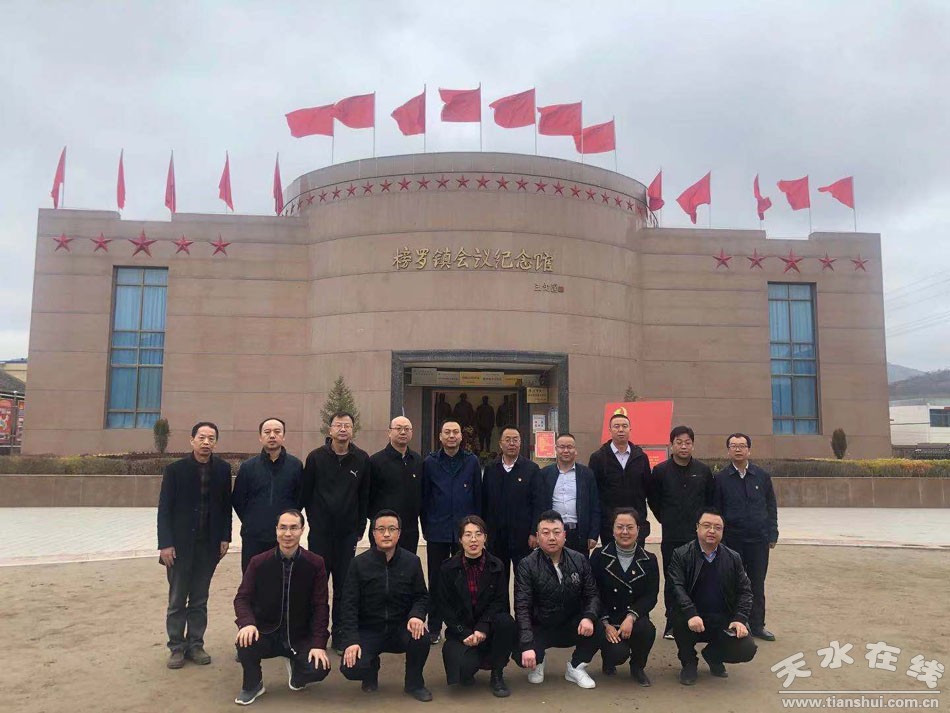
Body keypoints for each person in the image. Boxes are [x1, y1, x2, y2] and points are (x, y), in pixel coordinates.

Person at [232, 509, 330, 705]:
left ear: (302, 530)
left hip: (298, 636)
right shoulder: (258, 562)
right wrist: (247, 623)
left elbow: (320, 606)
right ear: (276, 530)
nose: (288, 533)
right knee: (245, 641)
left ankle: (297, 670)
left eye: (293, 528)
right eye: (283, 528)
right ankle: (253, 684)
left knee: (319, 668)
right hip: (266, 632)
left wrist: (318, 644)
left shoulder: (315, 563)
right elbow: (242, 598)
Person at [157, 421, 232, 669]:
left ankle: (196, 644)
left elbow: (225, 507)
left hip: (208, 546)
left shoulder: (222, 470)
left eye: (211, 438)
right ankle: (176, 647)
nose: (206, 442)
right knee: (177, 599)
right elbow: (164, 509)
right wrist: (165, 544)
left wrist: (225, 537)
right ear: (192, 440)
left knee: (199, 599)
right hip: (179, 547)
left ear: (216, 442)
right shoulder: (175, 470)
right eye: (201, 437)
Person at [339, 510, 432, 702]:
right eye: (381, 529)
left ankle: (414, 683)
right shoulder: (358, 564)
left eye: (392, 529)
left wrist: (416, 615)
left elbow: (421, 596)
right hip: (369, 630)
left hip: (400, 628)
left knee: (421, 637)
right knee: (351, 667)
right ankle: (370, 670)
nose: (386, 534)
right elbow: (349, 605)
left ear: (399, 533)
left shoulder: (412, 561)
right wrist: (351, 640)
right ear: (373, 534)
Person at [301, 411, 371, 652]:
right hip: (320, 534)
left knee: (344, 587)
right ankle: (317, 634)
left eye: (347, 425)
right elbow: (306, 494)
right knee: (318, 585)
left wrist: (360, 528)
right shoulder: (315, 458)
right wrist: (314, 520)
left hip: (347, 535)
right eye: (338, 425)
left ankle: (341, 634)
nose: (343, 429)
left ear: (353, 430)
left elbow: (364, 496)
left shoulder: (361, 459)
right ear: (330, 429)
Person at [513, 510, 604, 689]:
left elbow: (592, 594)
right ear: (537, 536)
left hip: (571, 624)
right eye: (546, 533)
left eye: (556, 532)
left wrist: (588, 617)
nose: (552, 538)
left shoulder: (579, 559)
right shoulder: (526, 565)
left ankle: (576, 667)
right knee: (519, 650)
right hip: (541, 625)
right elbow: (522, 606)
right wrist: (527, 644)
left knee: (597, 625)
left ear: (564, 535)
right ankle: (538, 662)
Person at [667, 507, 757, 685]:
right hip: (691, 617)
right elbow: (676, 587)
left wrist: (740, 618)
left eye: (717, 527)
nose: (712, 531)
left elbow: (745, 591)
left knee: (747, 647)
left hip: (722, 617)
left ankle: (713, 656)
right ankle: (689, 663)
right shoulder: (681, 554)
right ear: (697, 528)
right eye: (707, 525)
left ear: (723, 531)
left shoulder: (733, 558)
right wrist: (691, 613)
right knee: (678, 618)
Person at [437, 515, 516, 697]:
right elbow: (444, 606)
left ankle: (497, 674)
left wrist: (483, 627)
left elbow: (499, 601)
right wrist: (464, 632)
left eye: (478, 534)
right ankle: (471, 663)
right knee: (462, 674)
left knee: (506, 622)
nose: (473, 540)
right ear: (460, 539)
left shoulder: (496, 565)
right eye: (468, 535)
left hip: (488, 629)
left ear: (485, 538)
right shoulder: (448, 568)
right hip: (462, 632)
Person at [647, 425, 714, 639]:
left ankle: (697, 620)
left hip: (698, 537)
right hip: (672, 536)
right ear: (671, 445)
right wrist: (666, 518)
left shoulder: (703, 471)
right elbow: (654, 500)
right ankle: (672, 622)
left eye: (687, 443)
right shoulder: (660, 471)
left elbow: (710, 500)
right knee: (673, 579)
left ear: (693, 445)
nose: (683, 446)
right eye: (679, 442)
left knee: (700, 578)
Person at [420, 420, 481, 644]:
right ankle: (434, 626)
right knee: (436, 579)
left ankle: (462, 626)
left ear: (461, 437)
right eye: (447, 432)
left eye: (456, 432)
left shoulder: (471, 461)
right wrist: (426, 526)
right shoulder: (430, 462)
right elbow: (425, 497)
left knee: (464, 580)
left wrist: (476, 530)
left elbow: (478, 496)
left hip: (465, 532)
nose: (452, 436)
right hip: (437, 529)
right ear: (440, 436)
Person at [713, 433, 779, 641]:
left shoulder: (761, 476)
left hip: (758, 539)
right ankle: (734, 623)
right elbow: (716, 510)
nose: (738, 449)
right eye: (733, 446)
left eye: (742, 446)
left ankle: (757, 625)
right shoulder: (721, 479)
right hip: (732, 540)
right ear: (728, 451)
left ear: (749, 450)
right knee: (732, 583)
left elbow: (771, 506)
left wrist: (773, 532)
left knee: (757, 583)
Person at [589, 508, 658, 686]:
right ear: (612, 530)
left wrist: (631, 616)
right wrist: (605, 624)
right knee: (617, 653)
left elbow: (651, 596)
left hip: (633, 617)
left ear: (638, 530)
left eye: (630, 527)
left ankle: (638, 667)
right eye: (620, 527)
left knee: (647, 629)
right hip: (608, 617)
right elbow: (592, 592)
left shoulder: (649, 559)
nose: (625, 532)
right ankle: (608, 660)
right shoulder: (599, 556)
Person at [232, 417, 303, 572]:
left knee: (284, 579)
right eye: (267, 432)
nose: (272, 435)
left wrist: (287, 522)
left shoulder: (295, 465)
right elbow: (238, 499)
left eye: (277, 432)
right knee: (252, 579)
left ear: (283, 436)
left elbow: (299, 498)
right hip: (253, 536)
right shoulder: (248, 467)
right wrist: (252, 520)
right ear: (260, 437)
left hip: (285, 536)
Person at [481, 427, 544, 579]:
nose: (512, 443)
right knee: (496, 579)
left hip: (523, 537)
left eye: (515, 440)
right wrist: (483, 532)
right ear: (500, 443)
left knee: (524, 579)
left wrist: (534, 532)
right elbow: (484, 502)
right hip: (496, 537)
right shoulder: (491, 468)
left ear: (520, 443)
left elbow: (539, 503)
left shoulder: (531, 469)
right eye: (507, 440)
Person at [588, 412, 651, 547]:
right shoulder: (598, 458)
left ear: (630, 429)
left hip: (636, 524)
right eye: (616, 426)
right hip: (609, 525)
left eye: (624, 426)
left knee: (637, 558)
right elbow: (593, 493)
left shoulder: (641, 457)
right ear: (610, 430)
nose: (621, 430)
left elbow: (649, 490)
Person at [368, 416, 423, 554]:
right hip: (383, 529)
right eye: (398, 428)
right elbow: (367, 496)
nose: (403, 432)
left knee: (408, 564)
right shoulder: (375, 461)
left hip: (409, 529)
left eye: (407, 429)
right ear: (389, 432)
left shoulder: (418, 461)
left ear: (411, 432)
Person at [539, 432, 600, 555]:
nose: (566, 450)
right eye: (562, 447)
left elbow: (595, 505)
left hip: (578, 533)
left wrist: (593, 534)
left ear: (575, 450)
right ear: (556, 449)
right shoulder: (545, 474)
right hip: (553, 532)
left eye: (569, 447)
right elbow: (539, 504)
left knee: (579, 565)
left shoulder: (586, 474)